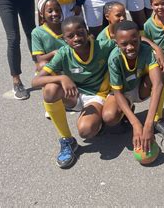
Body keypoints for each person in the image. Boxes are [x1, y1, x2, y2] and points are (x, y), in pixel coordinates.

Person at [32, 16, 115, 168]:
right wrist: (62, 77)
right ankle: (67, 140)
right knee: (50, 89)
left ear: (87, 32)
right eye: (70, 36)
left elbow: (129, 41)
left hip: (96, 96)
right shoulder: (64, 53)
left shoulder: (103, 46)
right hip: (75, 94)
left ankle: (105, 115)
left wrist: (156, 50)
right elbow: (35, 81)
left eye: (80, 33)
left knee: (86, 131)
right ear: (64, 39)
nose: (76, 38)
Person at [103, 20, 164, 144]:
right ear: (116, 43)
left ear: (140, 39)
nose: (130, 47)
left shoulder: (146, 51)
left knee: (159, 73)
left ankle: (157, 119)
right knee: (109, 117)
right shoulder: (114, 59)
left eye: (134, 42)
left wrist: (148, 124)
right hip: (123, 92)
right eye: (124, 44)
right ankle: (128, 113)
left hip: (141, 87)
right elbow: (118, 93)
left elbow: (158, 84)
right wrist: (136, 123)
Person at [31, 0, 66, 72]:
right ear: (41, 14)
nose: (55, 14)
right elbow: (40, 59)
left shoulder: (67, 27)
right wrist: (55, 53)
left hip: (69, 67)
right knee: (42, 65)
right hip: (52, 67)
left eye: (57, 10)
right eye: (50, 11)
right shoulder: (37, 32)